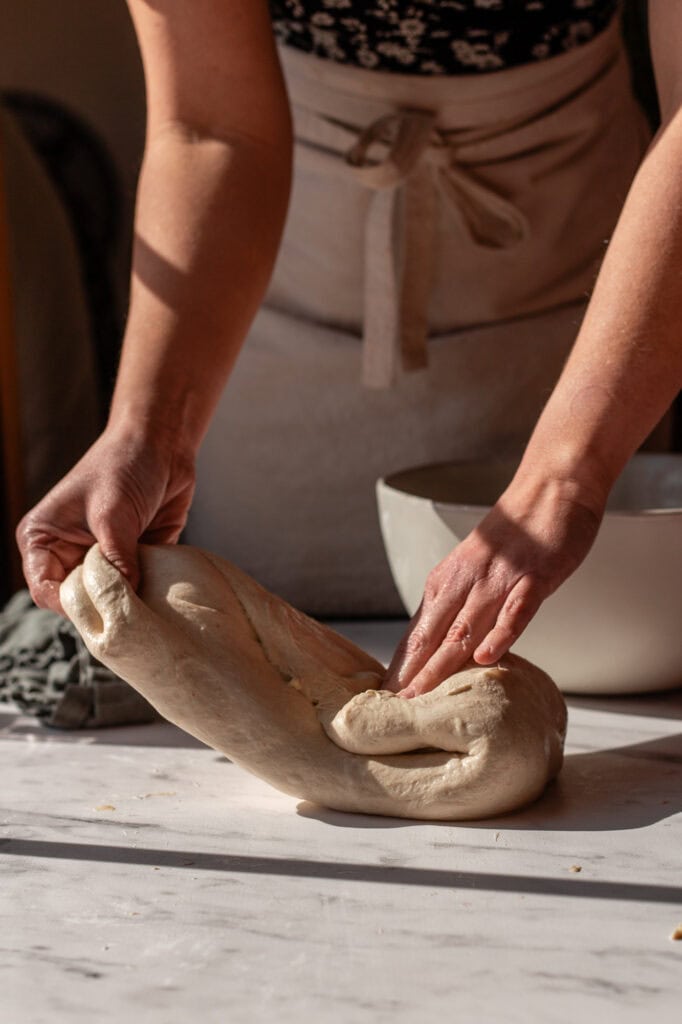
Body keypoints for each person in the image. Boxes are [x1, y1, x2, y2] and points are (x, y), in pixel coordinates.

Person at [16, 1, 682, 699]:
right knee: (257, 676)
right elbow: (212, 125)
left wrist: (566, 475)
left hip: (593, 291)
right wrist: (146, 429)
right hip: (282, 266)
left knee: (580, 649)